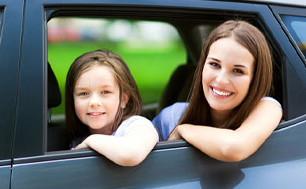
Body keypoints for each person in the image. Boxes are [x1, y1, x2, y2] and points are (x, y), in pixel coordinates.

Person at [153, 20, 283, 162]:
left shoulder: (268, 108)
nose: (221, 80)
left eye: (238, 71)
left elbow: (233, 148)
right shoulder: (172, 117)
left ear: (255, 78)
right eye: (214, 64)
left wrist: (182, 130)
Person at [65, 50, 158, 166]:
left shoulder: (136, 126)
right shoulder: (78, 139)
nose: (94, 102)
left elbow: (131, 154)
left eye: (105, 92)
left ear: (123, 99)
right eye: (84, 93)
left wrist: (92, 140)